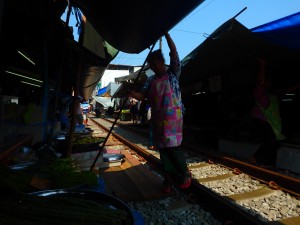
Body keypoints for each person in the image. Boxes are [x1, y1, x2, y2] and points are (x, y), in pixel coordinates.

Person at [129, 33, 191, 193]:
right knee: (163, 151)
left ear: (162, 62)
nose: (153, 67)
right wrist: (132, 94)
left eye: (155, 64)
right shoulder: (151, 80)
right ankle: (168, 180)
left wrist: (166, 34)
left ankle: (185, 173)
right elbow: (143, 96)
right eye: (151, 65)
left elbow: (174, 51)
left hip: (173, 119)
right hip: (158, 119)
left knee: (173, 147)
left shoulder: (173, 73)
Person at [250, 58, 285, 167]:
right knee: (270, 140)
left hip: (270, 123)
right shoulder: (260, 92)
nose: (268, 83)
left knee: (274, 142)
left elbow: (286, 91)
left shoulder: (273, 95)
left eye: (269, 81)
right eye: (267, 81)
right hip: (259, 120)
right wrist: (262, 66)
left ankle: (269, 164)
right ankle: (255, 157)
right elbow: (260, 81)